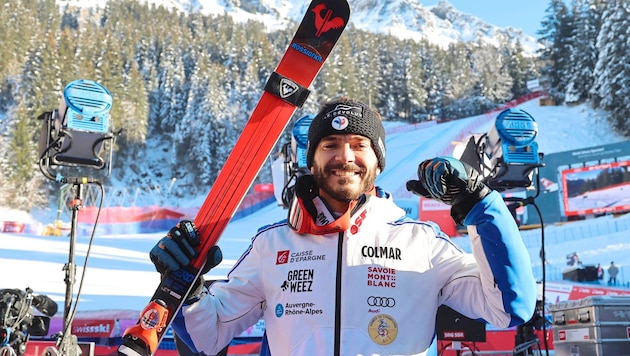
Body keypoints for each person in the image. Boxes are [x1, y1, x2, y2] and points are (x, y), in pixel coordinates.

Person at [150, 97, 537, 355]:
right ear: (313, 160)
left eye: (358, 144)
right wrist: (186, 287)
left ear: (378, 160)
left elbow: (510, 308)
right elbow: (206, 336)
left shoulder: (421, 243)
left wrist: (481, 206)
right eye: (330, 144)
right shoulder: (272, 245)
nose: (344, 156)